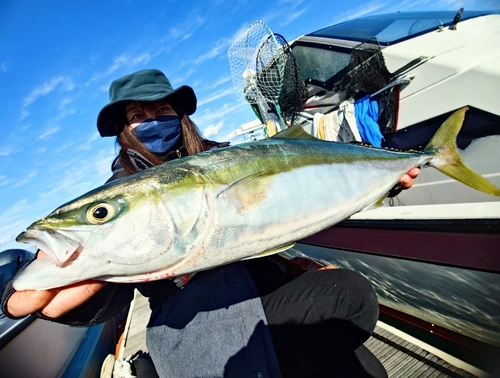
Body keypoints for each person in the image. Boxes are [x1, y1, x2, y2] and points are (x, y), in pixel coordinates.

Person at [2, 69, 419, 378]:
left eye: (162, 109)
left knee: (362, 361)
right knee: (349, 299)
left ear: (180, 115)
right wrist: (73, 281)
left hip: (260, 293)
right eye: (136, 116)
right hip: (199, 318)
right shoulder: (123, 187)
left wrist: (385, 181)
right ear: (123, 131)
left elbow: (305, 198)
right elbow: (99, 289)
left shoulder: (225, 157)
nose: (151, 120)